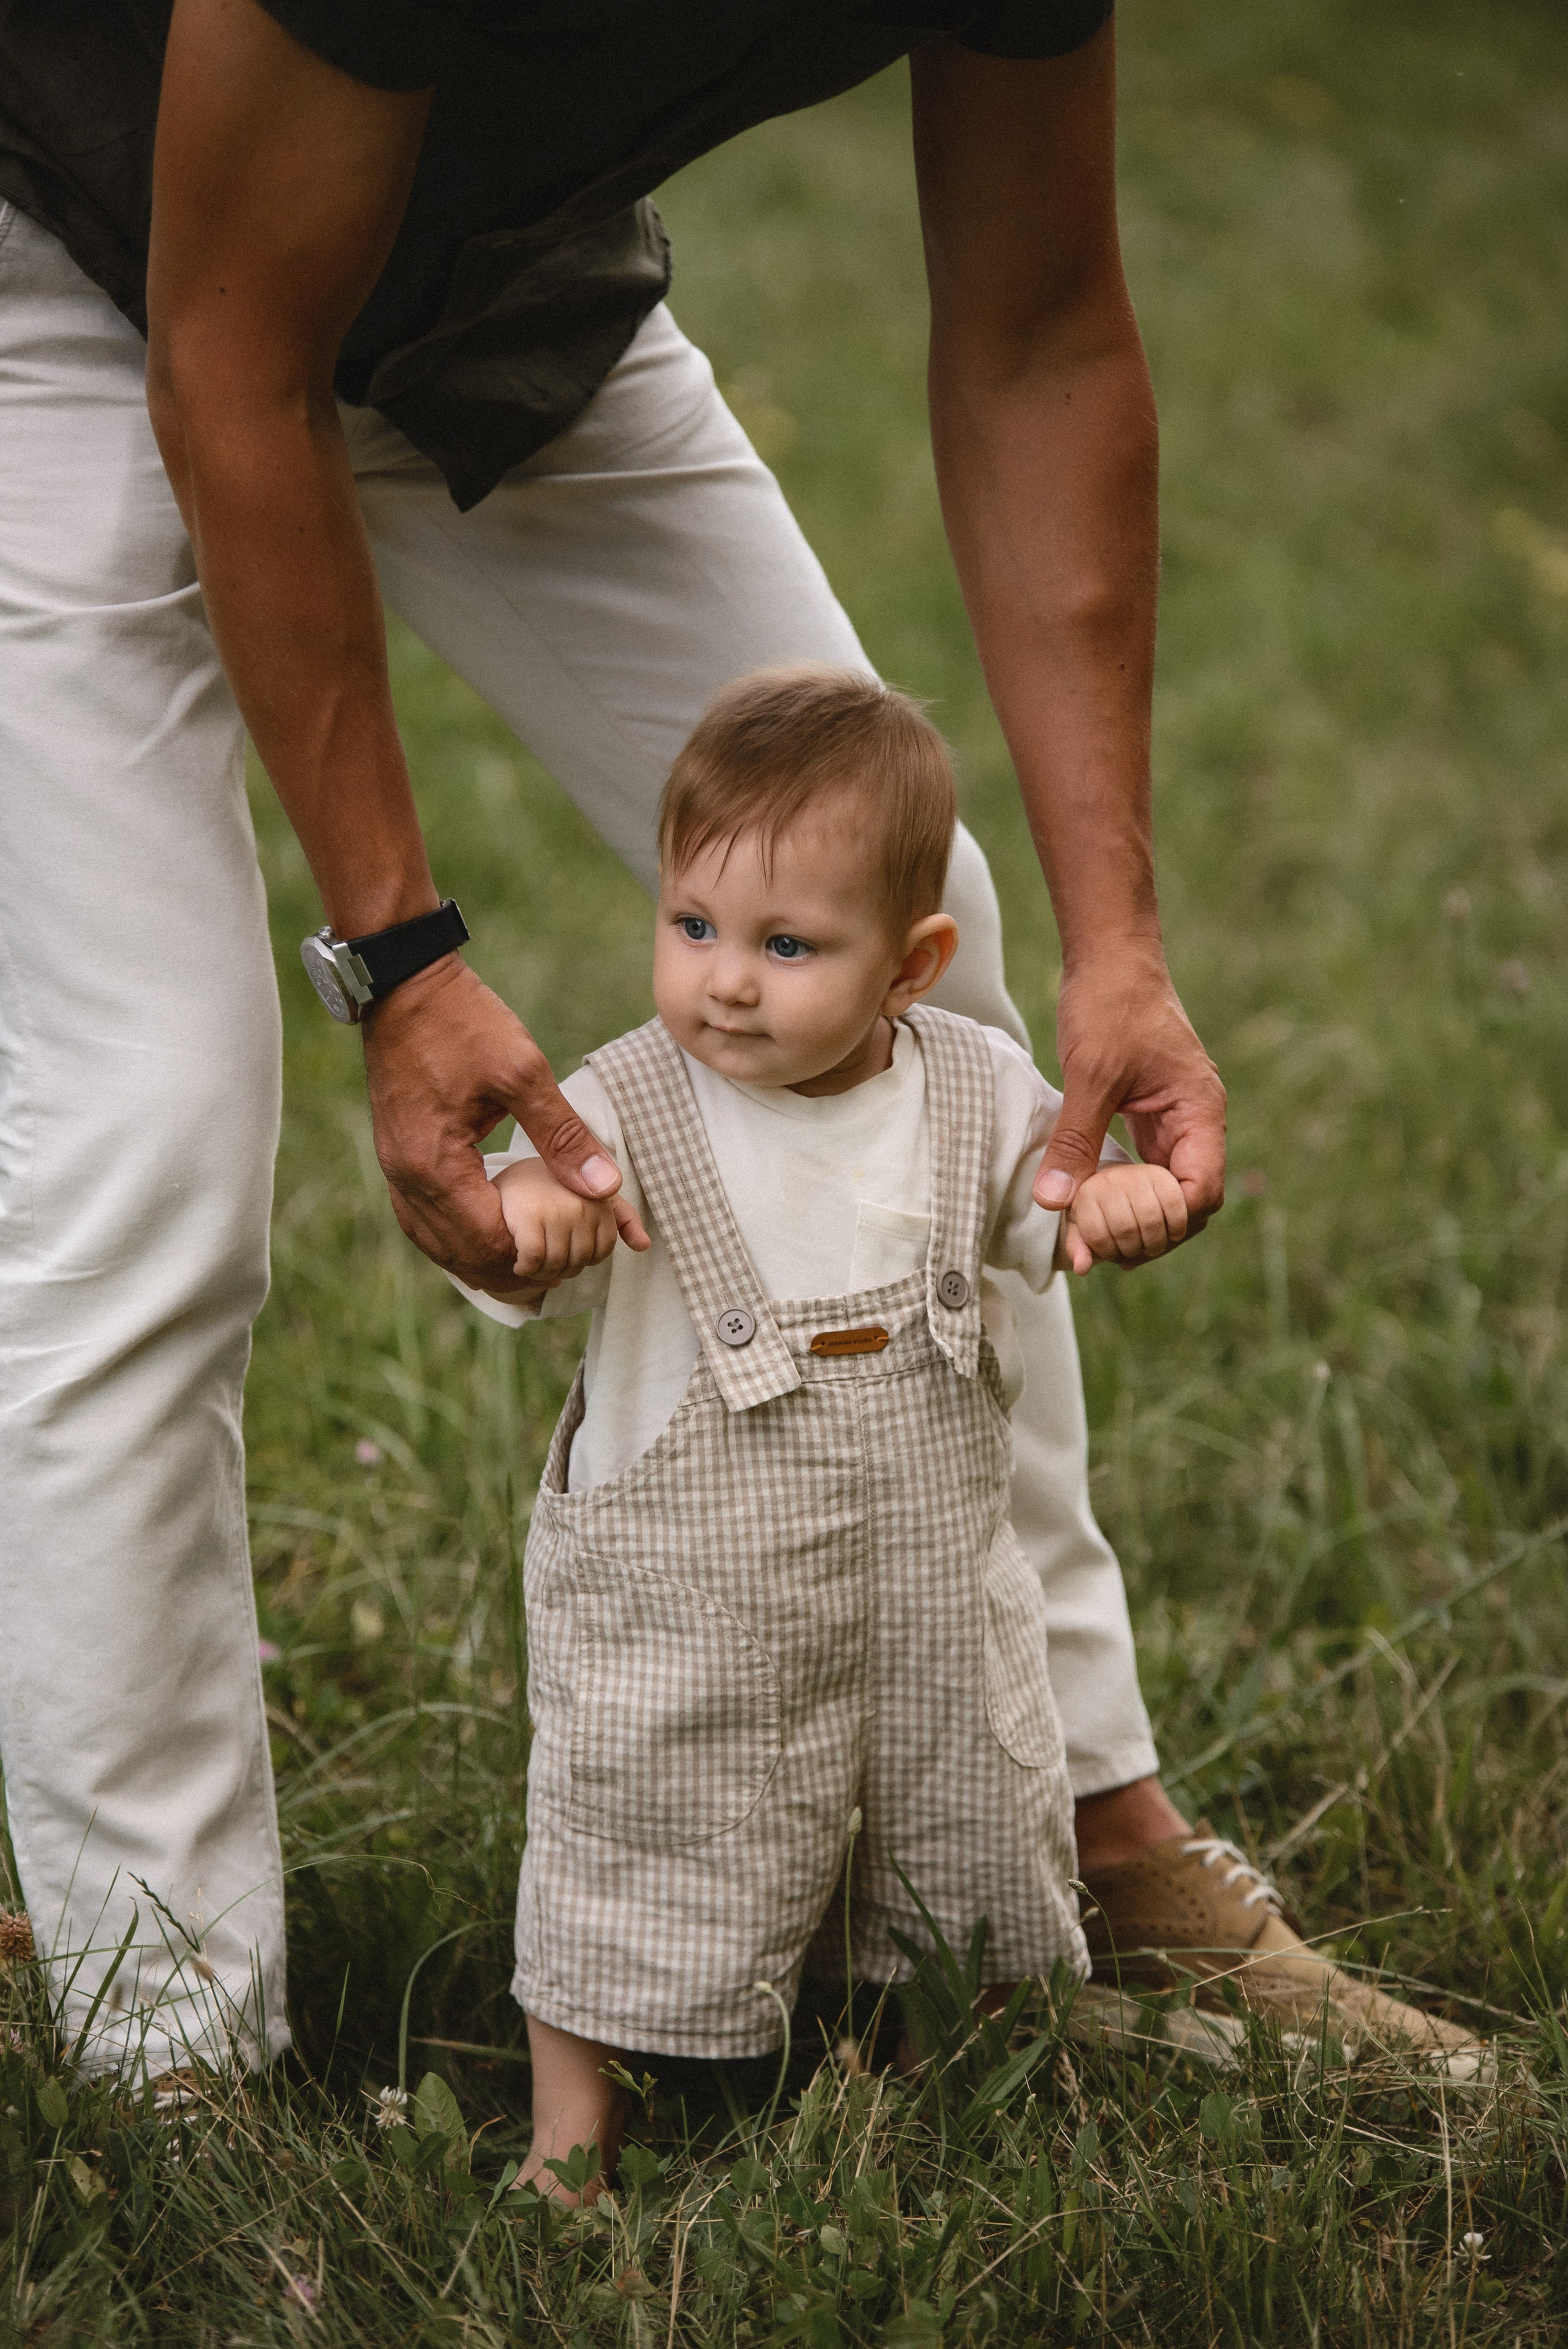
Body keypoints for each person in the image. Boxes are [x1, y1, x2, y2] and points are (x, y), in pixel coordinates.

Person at [0, 0, 1469, 2079]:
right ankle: (169, 2049)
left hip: (491, 283)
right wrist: (400, 951)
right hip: (62, 264)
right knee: (152, 1124)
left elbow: (1043, 328)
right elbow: (228, 358)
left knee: (922, 998)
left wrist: (1120, 938)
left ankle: (1068, 1822)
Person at [458, 667, 1191, 2192]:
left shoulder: (974, 1092)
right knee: (635, 1824)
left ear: (912, 964)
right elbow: (533, 1192)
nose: (724, 980)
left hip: (920, 1595)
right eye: (692, 926)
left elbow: (1044, 1208)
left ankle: (943, 2092)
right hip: (691, 1610)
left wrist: (1110, 1197)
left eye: (787, 946)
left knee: (960, 1815)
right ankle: (567, 2140)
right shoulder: (632, 1105)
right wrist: (531, 1215)